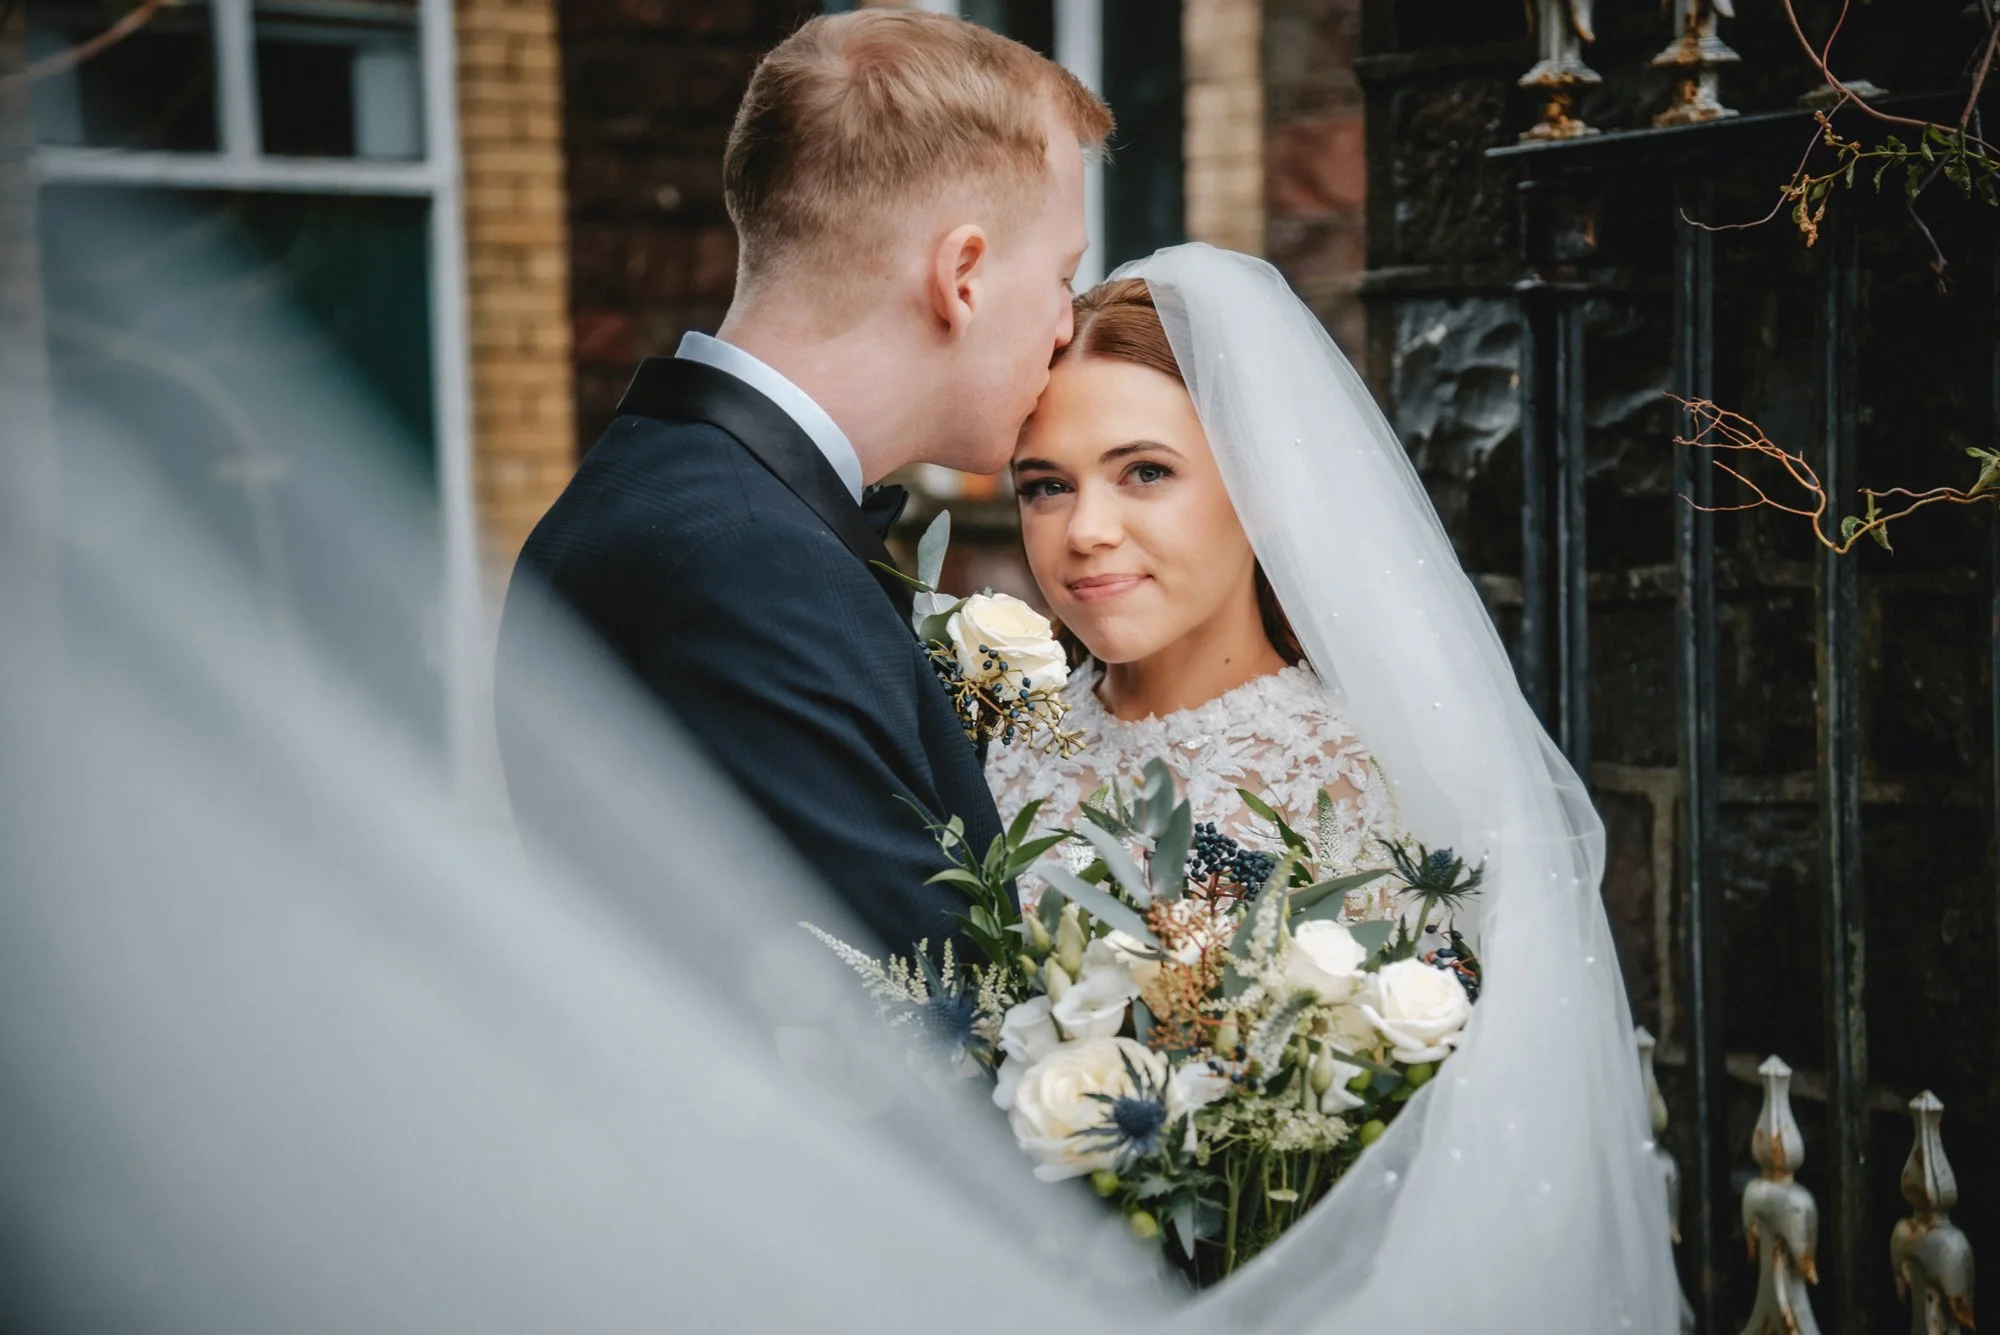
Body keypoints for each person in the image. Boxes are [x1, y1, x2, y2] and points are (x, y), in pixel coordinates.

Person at [985, 244, 1682, 1330]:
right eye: (1044, 486)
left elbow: (1454, 1154)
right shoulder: (1001, 756)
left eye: (1145, 472)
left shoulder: (1378, 776)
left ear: (1259, 489)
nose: (1084, 532)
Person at [495, 11, 1112, 953]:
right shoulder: (746, 562)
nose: (1066, 324)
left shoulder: (671, 488)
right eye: (1063, 276)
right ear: (964, 276)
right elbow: (923, 1012)